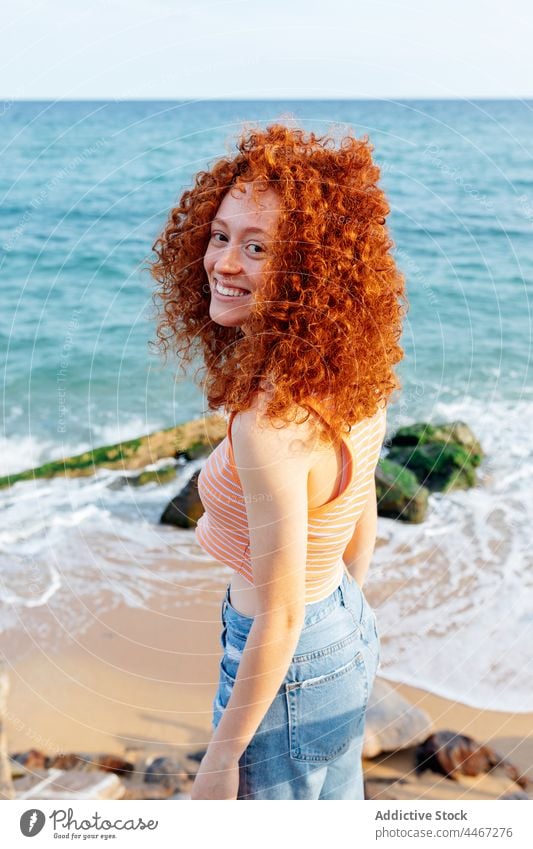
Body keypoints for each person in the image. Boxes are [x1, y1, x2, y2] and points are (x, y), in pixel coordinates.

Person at [150, 122, 407, 799]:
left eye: (257, 246)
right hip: (342, 624)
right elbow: (361, 509)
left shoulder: (267, 423)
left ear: (308, 269)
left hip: (285, 657)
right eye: (221, 234)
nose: (224, 261)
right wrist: (344, 609)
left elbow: (282, 613)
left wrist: (218, 760)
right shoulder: (351, 371)